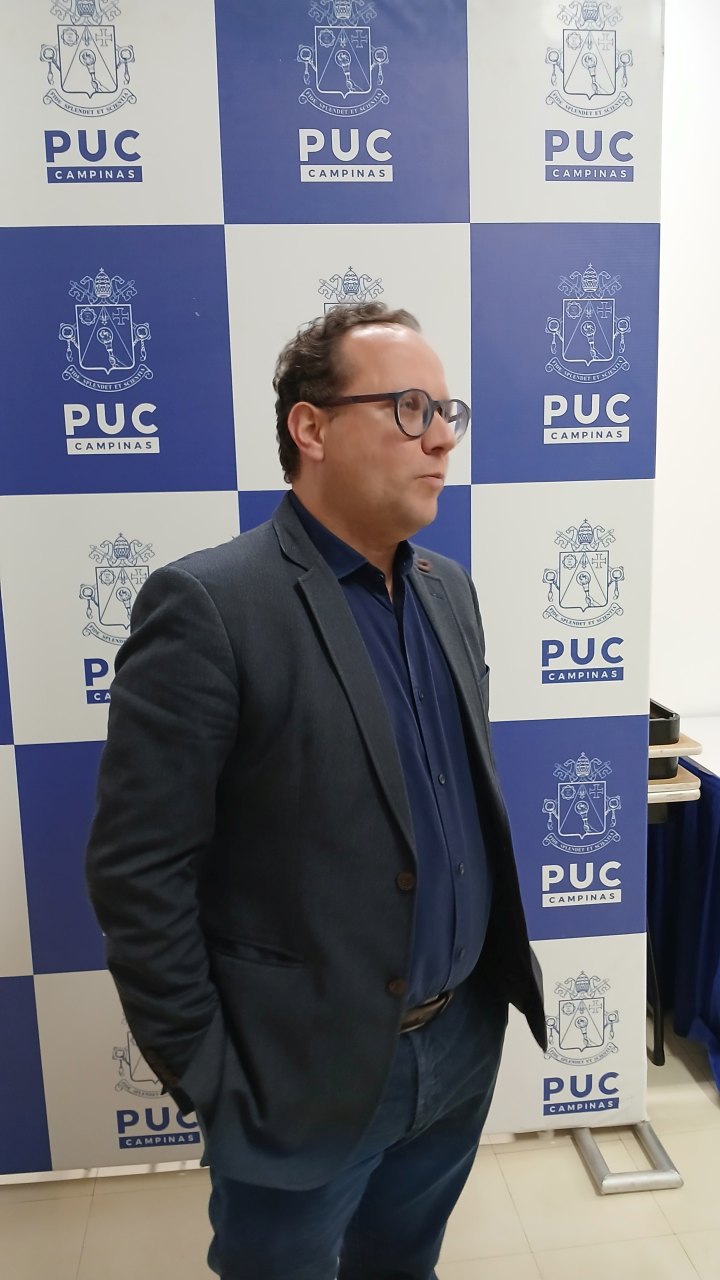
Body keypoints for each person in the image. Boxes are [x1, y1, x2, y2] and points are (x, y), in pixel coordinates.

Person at [86, 300, 546, 1280]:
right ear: (311, 427)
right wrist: (215, 1079)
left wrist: (479, 1007)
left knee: (401, 1263)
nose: (441, 437)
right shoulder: (210, 606)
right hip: (299, 1074)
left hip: (460, 1042)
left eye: (448, 412)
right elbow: (138, 874)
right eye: (410, 407)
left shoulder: (449, 590)